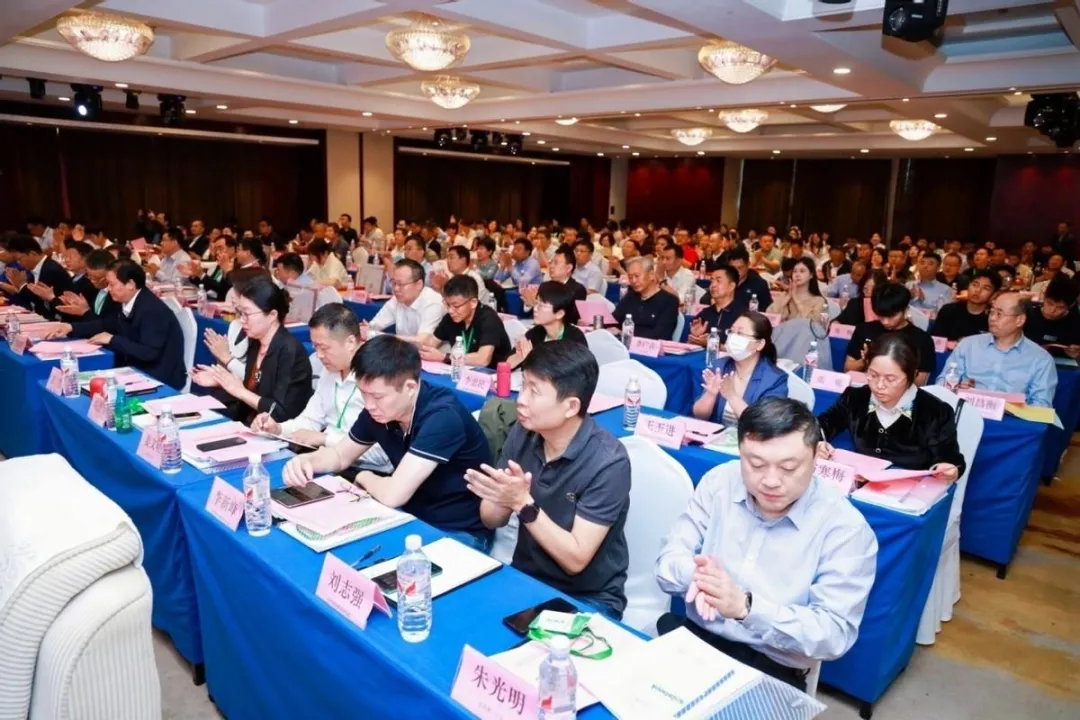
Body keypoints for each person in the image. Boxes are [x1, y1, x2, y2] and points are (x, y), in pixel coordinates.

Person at [655, 397, 878, 689]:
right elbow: (667, 562)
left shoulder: (845, 528)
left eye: (788, 468)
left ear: (816, 459)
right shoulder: (719, 483)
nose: (771, 481)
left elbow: (834, 634)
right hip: (694, 641)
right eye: (756, 464)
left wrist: (745, 607)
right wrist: (698, 578)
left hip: (772, 667)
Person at [467, 341, 631, 617]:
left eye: (534, 391)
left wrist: (523, 504)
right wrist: (501, 497)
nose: (521, 399)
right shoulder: (523, 432)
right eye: (523, 385)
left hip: (587, 598)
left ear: (571, 406)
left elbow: (575, 560)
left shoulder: (609, 462)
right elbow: (491, 519)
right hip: (526, 578)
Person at [282, 335, 493, 550]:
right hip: (407, 516)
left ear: (410, 388)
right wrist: (308, 460)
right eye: (363, 393)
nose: (369, 405)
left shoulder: (443, 417)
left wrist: (363, 476)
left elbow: (394, 494)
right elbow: (340, 455)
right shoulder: (379, 410)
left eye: (377, 396)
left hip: (456, 531)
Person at [251, 304, 392, 472]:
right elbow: (310, 420)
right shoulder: (330, 371)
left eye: (324, 348)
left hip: (366, 471)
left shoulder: (378, 378)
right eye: (315, 347)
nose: (318, 355)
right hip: (328, 461)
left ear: (350, 342)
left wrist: (324, 439)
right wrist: (277, 429)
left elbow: (382, 455)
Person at [818, 333, 965, 479]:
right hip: (860, 485)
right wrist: (817, 443)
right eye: (873, 375)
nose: (879, 385)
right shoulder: (855, 398)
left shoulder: (936, 412)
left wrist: (949, 469)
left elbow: (950, 459)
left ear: (912, 375)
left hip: (909, 489)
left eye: (890, 379)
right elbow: (822, 425)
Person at [191, 274, 313, 422]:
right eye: (241, 313)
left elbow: (280, 411)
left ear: (272, 315)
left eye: (247, 314)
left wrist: (239, 391)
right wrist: (221, 380)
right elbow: (255, 388)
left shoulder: (289, 351)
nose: (242, 320)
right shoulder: (256, 341)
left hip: (276, 429)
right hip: (249, 421)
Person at [49, 260, 186, 389]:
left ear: (130, 284)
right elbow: (106, 324)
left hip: (158, 375)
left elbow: (149, 353)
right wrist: (70, 327)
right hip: (135, 367)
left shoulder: (152, 310)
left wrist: (112, 339)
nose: (108, 289)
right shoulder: (128, 301)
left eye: (112, 284)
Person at [937, 292, 1058, 407]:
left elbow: (1042, 404)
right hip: (967, 412)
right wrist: (956, 389)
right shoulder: (968, 345)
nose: (992, 318)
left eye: (999, 314)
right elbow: (942, 383)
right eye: (991, 312)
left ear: (1020, 320)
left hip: (1011, 420)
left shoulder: (1041, 359)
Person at [692, 312, 788, 424]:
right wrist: (710, 394)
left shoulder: (774, 380)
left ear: (759, 344)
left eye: (740, 333)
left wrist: (731, 395)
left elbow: (765, 425)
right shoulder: (720, 366)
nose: (733, 337)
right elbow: (699, 416)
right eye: (731, 331)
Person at [845, 281, 936, 384]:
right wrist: (865, 361)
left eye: (892, 316)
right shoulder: (864, 329)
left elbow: (920, 383)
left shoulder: (922, 339)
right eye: (881, 315)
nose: (885, 322)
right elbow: (847, 368)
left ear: (905, 310)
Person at [418, 274, 512, 369]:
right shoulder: (450, 317)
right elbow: (430, 343)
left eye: (456, 306)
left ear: (473, 303)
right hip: (463, 370)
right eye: (447, 305)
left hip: (493, 373)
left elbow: (483, 359)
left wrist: (444, 357)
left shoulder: (489, 319)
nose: (450, 311)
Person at [507, 281, 587, 369]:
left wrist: (532, 357)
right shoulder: (536, 333)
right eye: (536, 303)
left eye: (541, 305)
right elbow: (505, 366)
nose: (535, 309)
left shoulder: (574, 339)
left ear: (559, 314)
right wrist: (520, 356)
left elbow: (574, 372)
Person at [366, 259, 445, 340]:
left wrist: (379, 335)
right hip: (403, 347)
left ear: (419, 284)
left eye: (400, 284)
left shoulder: (433, 303)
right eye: (394, 283)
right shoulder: (396, 299)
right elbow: (374, 325)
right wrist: (367, 329)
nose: (396, 289)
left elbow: (422, 341)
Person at [0, 234, 74, 317]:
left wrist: (22, 285)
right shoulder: (35, 270)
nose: (19, 263)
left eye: (19, 259)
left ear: (32, 254)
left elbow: (42, 302)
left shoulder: (50, 270)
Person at [611, 256, 679, 340]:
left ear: (651, 275)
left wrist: (625, 334)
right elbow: (614, 319)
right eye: (630, 277)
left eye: (637, 276)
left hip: (650, 346)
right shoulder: (631, 296)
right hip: (625, 343)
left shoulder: (669, 301)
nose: (633, 281)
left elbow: (661, 334)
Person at [929, 269, 999, 341]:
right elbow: (935, 340)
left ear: (994, 294)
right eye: (975, 285)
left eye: (986, 288)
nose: (978, 290)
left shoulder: (994, 318)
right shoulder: (948, 310)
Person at [687, 266, 747, 346]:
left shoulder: (743, 316)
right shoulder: (705, 313)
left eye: (718, 281)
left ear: (732, 286)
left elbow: (744, 349)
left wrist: (713, 344)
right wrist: (695, 336)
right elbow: (688, 345)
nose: (713, 285)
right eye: (711, 281)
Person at [1024, 275, 1080, 357]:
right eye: (1050, 303)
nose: (1052, 310)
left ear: (1070, 306)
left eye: (1060, 307)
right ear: (1044, 297)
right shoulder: (1027, 314)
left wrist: (1076, 355)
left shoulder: (1075, 323)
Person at [766, 257, 827, 322]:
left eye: (802, 271)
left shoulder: (819, 300)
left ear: (811, 275)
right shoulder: (784, 295)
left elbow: (813, 322)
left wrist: (795, 298)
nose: (797, 275)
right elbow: (770, 317)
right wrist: (787, 298)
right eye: (795, 271)